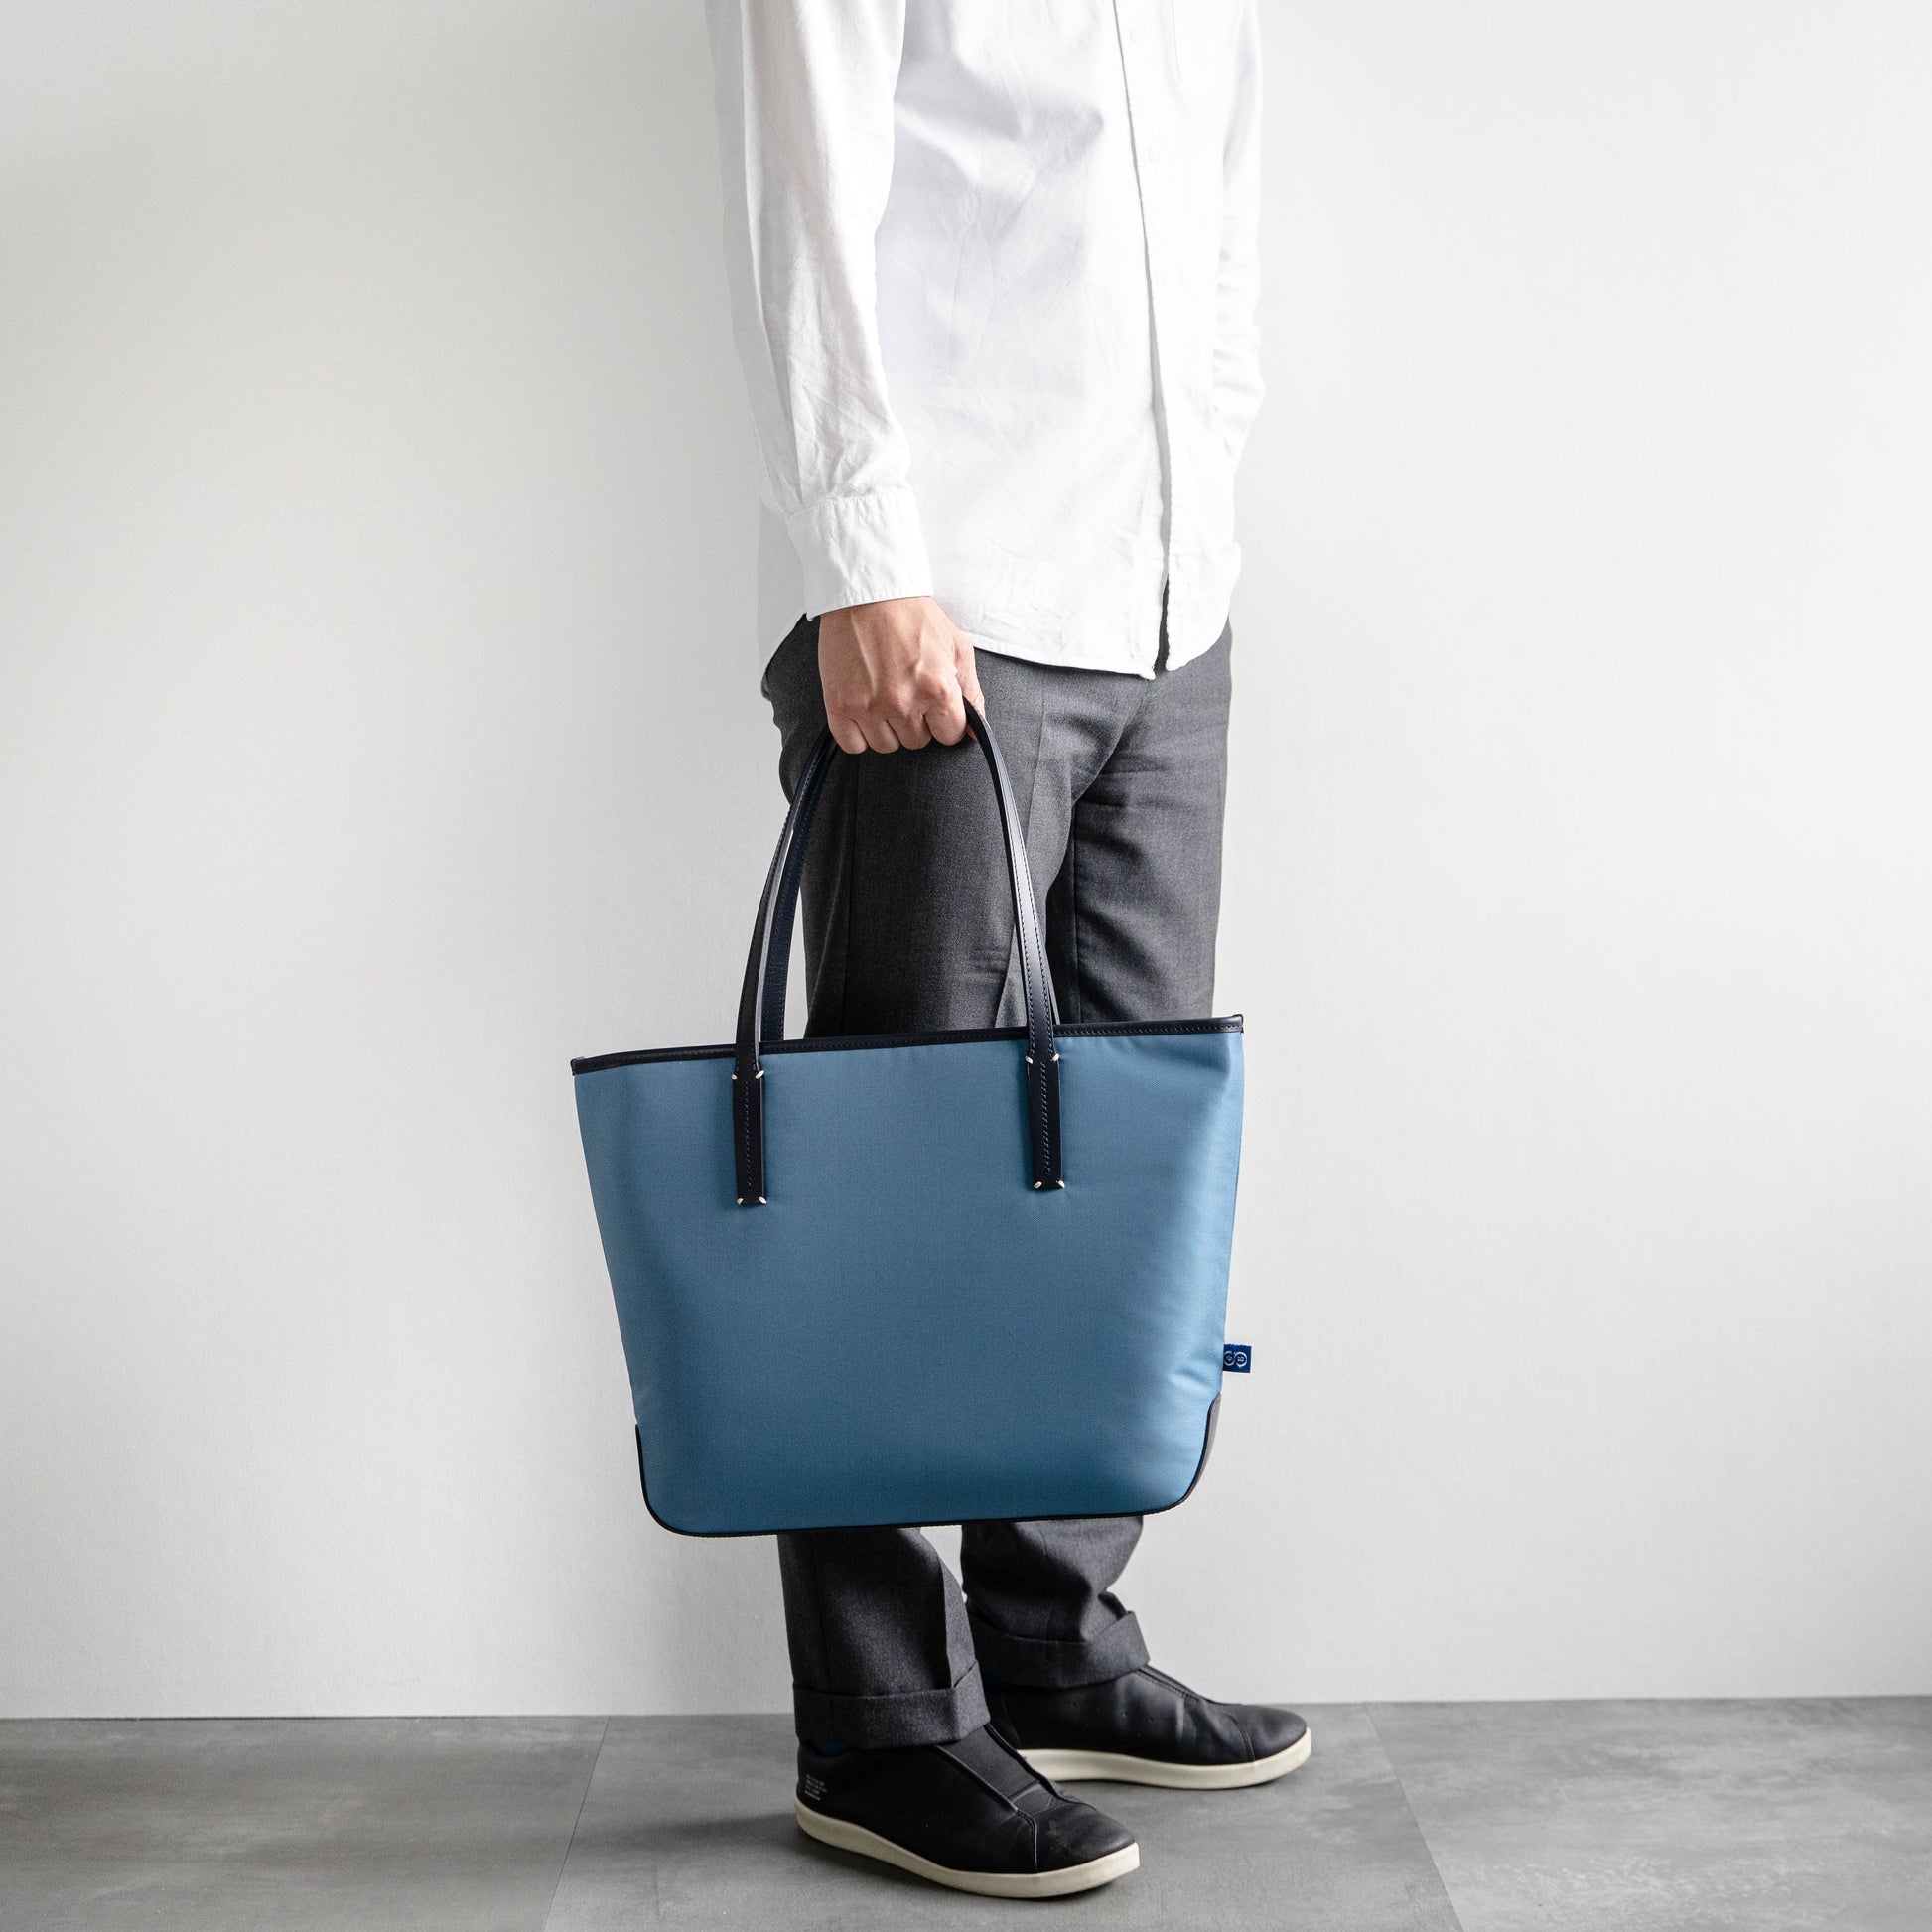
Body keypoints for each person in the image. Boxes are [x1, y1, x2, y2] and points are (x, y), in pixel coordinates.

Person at [701, 2, 1305, 1900]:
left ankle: (1051, 1640)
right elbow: (801, 198)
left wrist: (1203, 516)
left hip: (1164, 607)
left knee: (1117, 1171)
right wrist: (862, 557)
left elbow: (1214, 221)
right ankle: (876, 1726)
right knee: (890, 1184)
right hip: (943, 612)